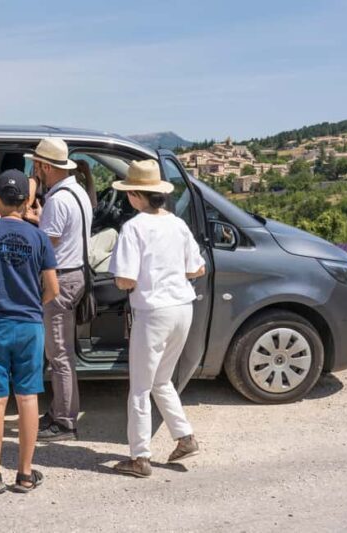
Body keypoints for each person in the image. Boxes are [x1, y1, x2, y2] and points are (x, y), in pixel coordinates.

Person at [0, 169, 59, 493]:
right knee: (28, 397)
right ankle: (26, 474)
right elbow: (54, 288)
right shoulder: (39, 236)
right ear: (27, 201)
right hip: (30, 325)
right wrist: (34, 302)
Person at [108, 159, 206, 478]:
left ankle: (140, 457)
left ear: (136, 195)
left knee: (140, 387)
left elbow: (124, 279)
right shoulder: (177, 224)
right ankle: (184, 436)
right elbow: (197, 268)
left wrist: (135, 280)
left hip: (153, 312)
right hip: (183, 307)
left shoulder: (134, 227)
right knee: (162, 380)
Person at [26, 138, 93, 441]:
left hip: (60, 280)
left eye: (36, 164)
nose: (34, 169)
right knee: (62, 351)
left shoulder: (57, 199)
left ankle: (64, 421)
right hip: (76, 274)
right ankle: (58, 411)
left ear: (44, 166)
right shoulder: (76, 191)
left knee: (59, 354)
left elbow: (48, 244)